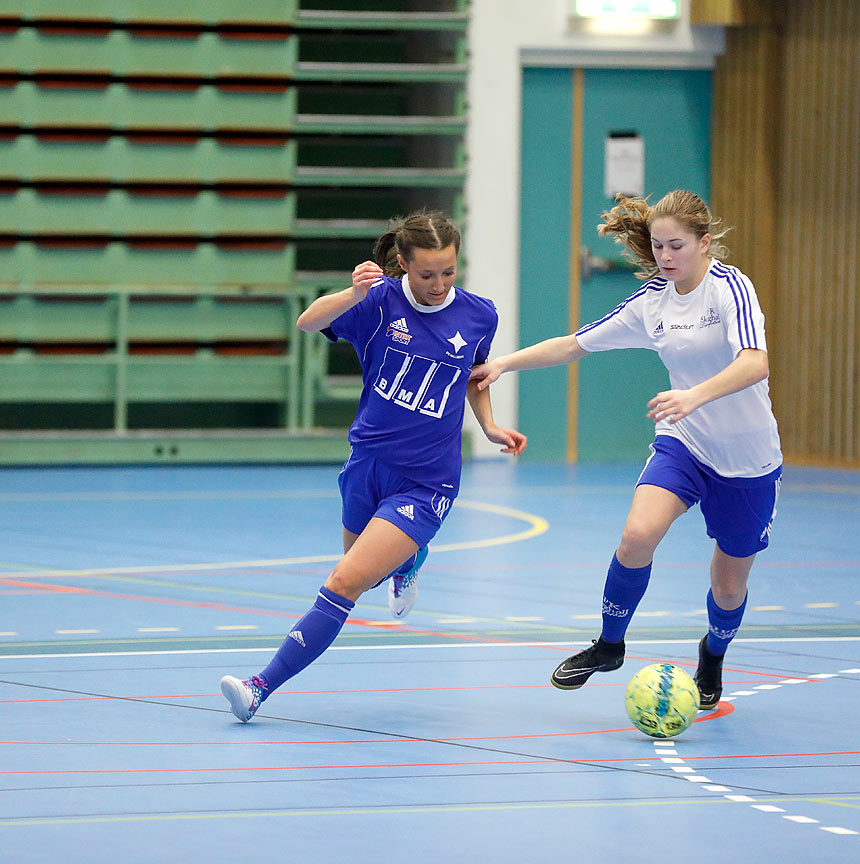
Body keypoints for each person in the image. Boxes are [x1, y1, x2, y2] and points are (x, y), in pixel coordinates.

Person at [473, 190, 781, 711]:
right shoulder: (653, 301)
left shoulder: (731, 288)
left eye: (677, 245)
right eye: (658, 246)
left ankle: (713, 652)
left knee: (729, 588)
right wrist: (504, 363)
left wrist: (693, 395)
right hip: (685, 443)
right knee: (637, 536)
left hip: (748, 459)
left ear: (705, 244)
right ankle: (609, 644)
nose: (665, 256)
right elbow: (575, 343)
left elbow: (756, 363)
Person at [219, 212, 526, 722]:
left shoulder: (479, 315)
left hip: (428, 482)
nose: (438, 284)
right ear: (402, 264)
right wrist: (351, 295)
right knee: (358, 572)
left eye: (448, 272)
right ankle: (407, 561)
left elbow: (475, 376)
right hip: (367, 465)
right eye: (426, 274)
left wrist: (489, 425)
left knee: (343, 581)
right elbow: (308, 321)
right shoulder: (379, 302)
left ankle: (258, 687)